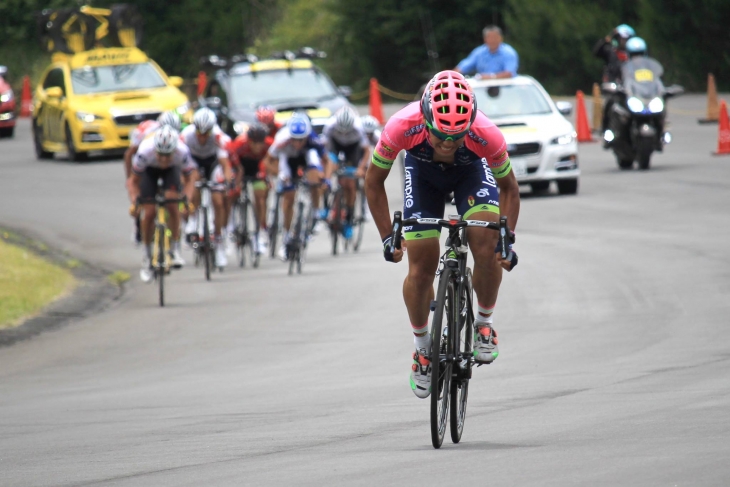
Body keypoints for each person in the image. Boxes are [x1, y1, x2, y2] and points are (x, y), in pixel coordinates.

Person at [365, 70, 520, 398]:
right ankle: (422, 350)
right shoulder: (401, 126)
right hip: (423, 176)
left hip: (471, 174)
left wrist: (507, 238)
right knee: (421, 268)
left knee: (486, 241)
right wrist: (387, 237)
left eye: (456, 137)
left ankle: (484, 324)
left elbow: (509, 189)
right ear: (425, 120)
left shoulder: (485, 133)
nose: (448, 145)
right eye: (440, 137)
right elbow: (373, 182)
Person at [127, 126, 196, 282]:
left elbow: (190, 179)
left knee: (173, 204)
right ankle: (146, 256)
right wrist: (135, 201)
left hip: (172, 171)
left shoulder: (182, 152)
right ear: (155, 150)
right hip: (149, 171)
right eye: (161, 155)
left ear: (174, 151)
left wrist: (187, 199)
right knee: (149, 212)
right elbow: (133, 181)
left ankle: (174, 249)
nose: (164, 159)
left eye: (168, 155)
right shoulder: (145, 152)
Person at [264, 113, 325, 260]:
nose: (297, 143)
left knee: (315, 179)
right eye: (294, 140)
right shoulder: (282, 139)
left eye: (301, 140)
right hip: (287, 160)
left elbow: (325, 160)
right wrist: (278, 174)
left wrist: (324, 178)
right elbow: (268, 161)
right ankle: (286, 237)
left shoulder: (313, 140)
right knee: (289, 197)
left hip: (306, 158)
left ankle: (316, 213)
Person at [180, 108, 233, 267]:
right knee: (193, 181)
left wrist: (227, 181)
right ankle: (193, 218)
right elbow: (181, 163)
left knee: (218, 200)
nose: (202, 137)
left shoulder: (219, 137)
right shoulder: (186, 136)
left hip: (213, 163)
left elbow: (225, 164)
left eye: (206, 133)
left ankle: (218, 241)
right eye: (199, 133)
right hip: (193, 161)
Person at [123, 111, 181, 245]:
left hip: (168, 166)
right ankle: (139, 225)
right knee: (145, 204)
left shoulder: (179, 141)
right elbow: (128, 155)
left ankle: (174, 244)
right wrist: (130, 179)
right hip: (146, 164)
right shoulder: (145, 133)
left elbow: (183, 167)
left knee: (172, 200)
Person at [322, 106, 371, 240]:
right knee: (327, 171)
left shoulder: (358, 128)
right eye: (341, 130)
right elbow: (324, 150)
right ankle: (326, 205)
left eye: (346, 131)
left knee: (350, 184)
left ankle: (349, 219)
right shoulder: (330, 126)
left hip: (352, 149)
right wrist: (329, 165)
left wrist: (360, 168)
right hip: (335, 146)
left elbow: (366, 151)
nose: (343, 133)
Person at [228, 123, 274, 254]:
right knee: (232, 194)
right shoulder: (239, 144)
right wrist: (235, 183)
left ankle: (262, 228)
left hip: (257, 168)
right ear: (249, 141)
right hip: (240, 167)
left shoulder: (270, 144)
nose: (257, 146)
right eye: (254, 143)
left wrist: (268, 177)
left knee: (260, 195)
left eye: (260, 143)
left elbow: (273, 162)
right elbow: (232, 165)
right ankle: (231, 226)